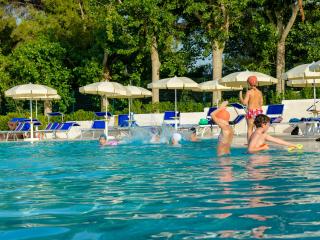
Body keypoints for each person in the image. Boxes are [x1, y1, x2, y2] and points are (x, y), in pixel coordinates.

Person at [239, 76, 263, 142]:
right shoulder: (260, 92)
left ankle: (250, 143)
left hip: (251, 111)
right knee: (259, 128)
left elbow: (244, 103)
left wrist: (240, 96)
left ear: (249, 84)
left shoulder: (249, 92)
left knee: (250, 129)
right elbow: (261, 103)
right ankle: (259, 142)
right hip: (259, 112)